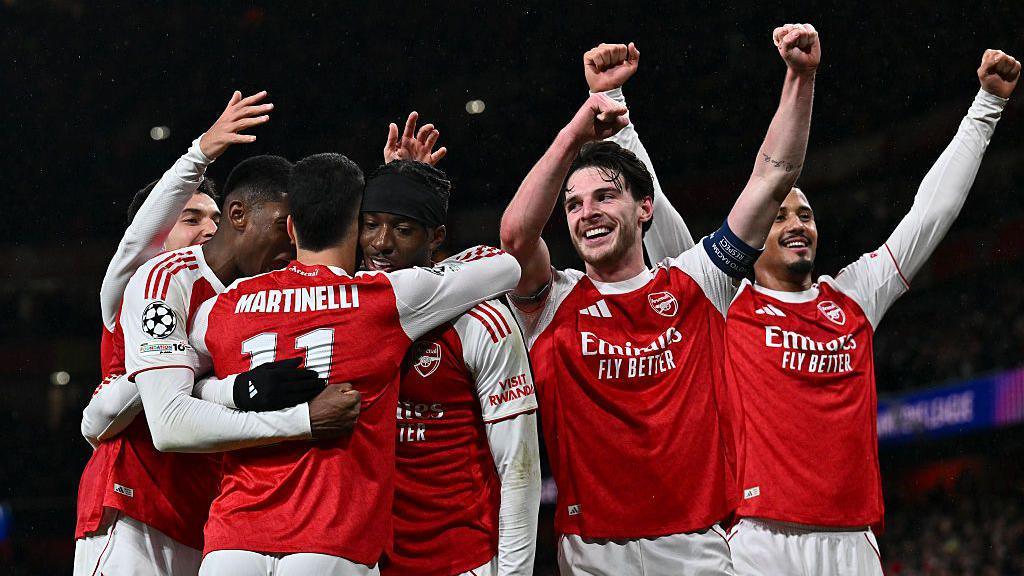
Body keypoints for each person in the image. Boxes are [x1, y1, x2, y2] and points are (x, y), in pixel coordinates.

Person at [646, 49, 1021, 576]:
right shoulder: (727, 303)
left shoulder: (854, 296)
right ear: (756, 233)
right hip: (759, 536)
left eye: (805, 214)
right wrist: (618, 120)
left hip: (852, 541)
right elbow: (660, 222)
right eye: (778, 217)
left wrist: (986, 106)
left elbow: (930, 214)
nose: (796, 224)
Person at [498, 24, 820, 575]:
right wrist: (575, 134)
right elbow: (516, 237)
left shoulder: (697, 280)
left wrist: (800, 76)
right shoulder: (552, 300)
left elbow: (772, 178)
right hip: (590, 551)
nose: (587, 212)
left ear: (644, 207)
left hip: (695, 546)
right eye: (574, 205)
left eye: (604, 196)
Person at [186, 152, 521, 575]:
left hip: (230, 545)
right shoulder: (382, 299)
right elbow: (506, 266)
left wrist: (225, 389)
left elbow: (175, 389)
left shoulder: (225, 306)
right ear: (355, 229)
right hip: (329, 542)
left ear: (291, 228)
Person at [81, 147, 359, 576]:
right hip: (132, 505)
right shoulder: (143, 283)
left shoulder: (245, 301)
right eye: (191, 219)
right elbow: (96, 422)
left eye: (213, 218)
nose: (209, 229)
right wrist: (201, 151)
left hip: (205, 515)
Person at [363, 116, 539, 576]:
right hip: (367, 561)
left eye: (403, 229)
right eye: (370, 225)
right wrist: (398, 179)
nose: (380, 244)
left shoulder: (485, 322)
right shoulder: (350, 304)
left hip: (461, 560)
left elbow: (518, 467)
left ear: (436, 238)